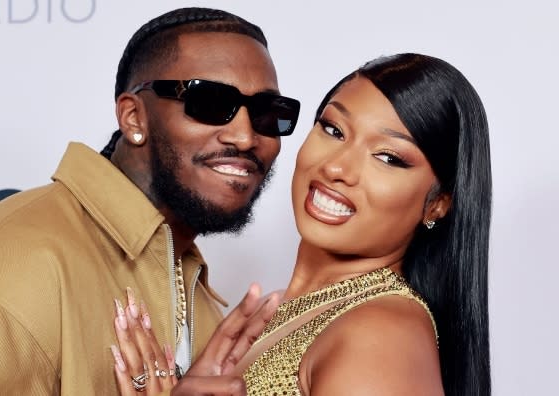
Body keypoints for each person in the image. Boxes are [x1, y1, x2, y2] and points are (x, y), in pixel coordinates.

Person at [0, 7, 301, 395]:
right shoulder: (14, 262)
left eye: (269, 113)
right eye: (210, 104)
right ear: (134, 117)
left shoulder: (187, 278)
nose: (246, 137)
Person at [112, 53, 492, 395]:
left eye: (388, 157)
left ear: (438, 205)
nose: (337, 167)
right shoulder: (287, 315)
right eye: (333, 129)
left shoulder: (379, 334)